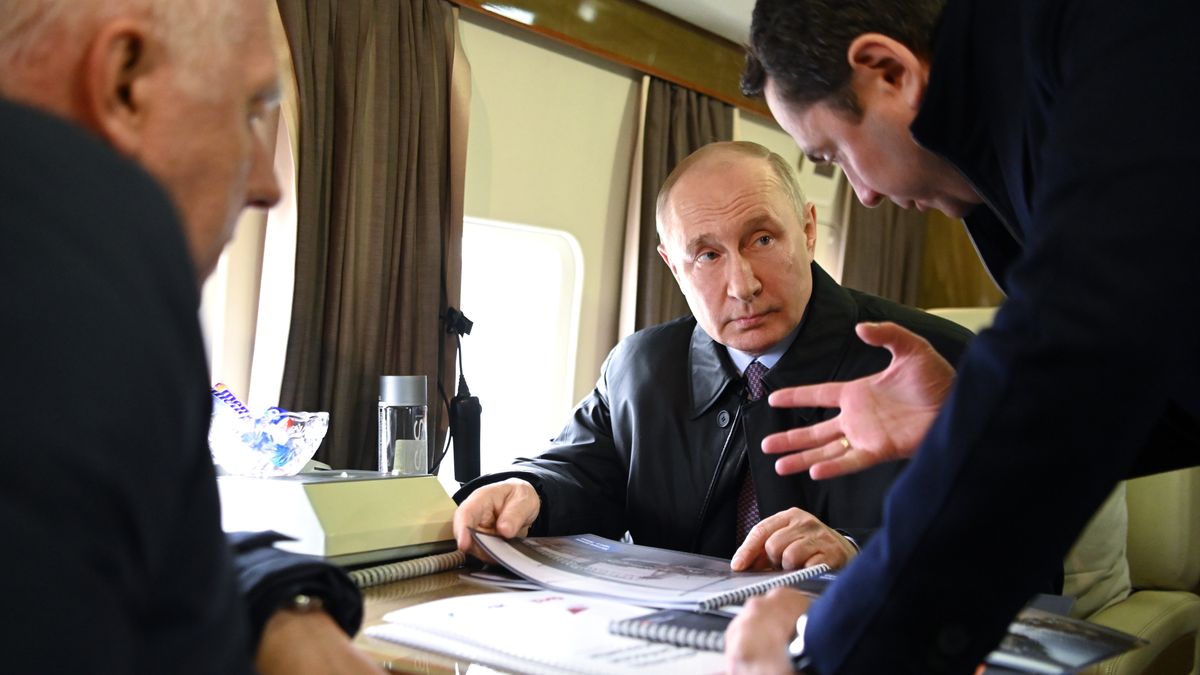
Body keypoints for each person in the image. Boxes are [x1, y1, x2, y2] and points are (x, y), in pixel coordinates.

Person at [724, 1, 1200, 673]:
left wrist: (831, 645)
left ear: (888, 71)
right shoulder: (1030, 124)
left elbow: (1073, 347)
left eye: (834, 154)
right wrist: (962, 413)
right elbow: (1152, 363)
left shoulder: (1113, 38)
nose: (863, 195)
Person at [0, 1, 383, 672]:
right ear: (126, 81)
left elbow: (131, 539)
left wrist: (276, 605)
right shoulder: (80, 264)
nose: (267, 183)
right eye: (251, 112)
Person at [452, 141, 973, 573]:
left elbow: (999, 531)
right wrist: (529, 491)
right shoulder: (640, 367)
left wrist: (857, 553)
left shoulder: (940, 362)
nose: (742, 286)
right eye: (706, 255)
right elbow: (582, 472)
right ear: (673, 267)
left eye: (762, 239)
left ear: (808, 230)